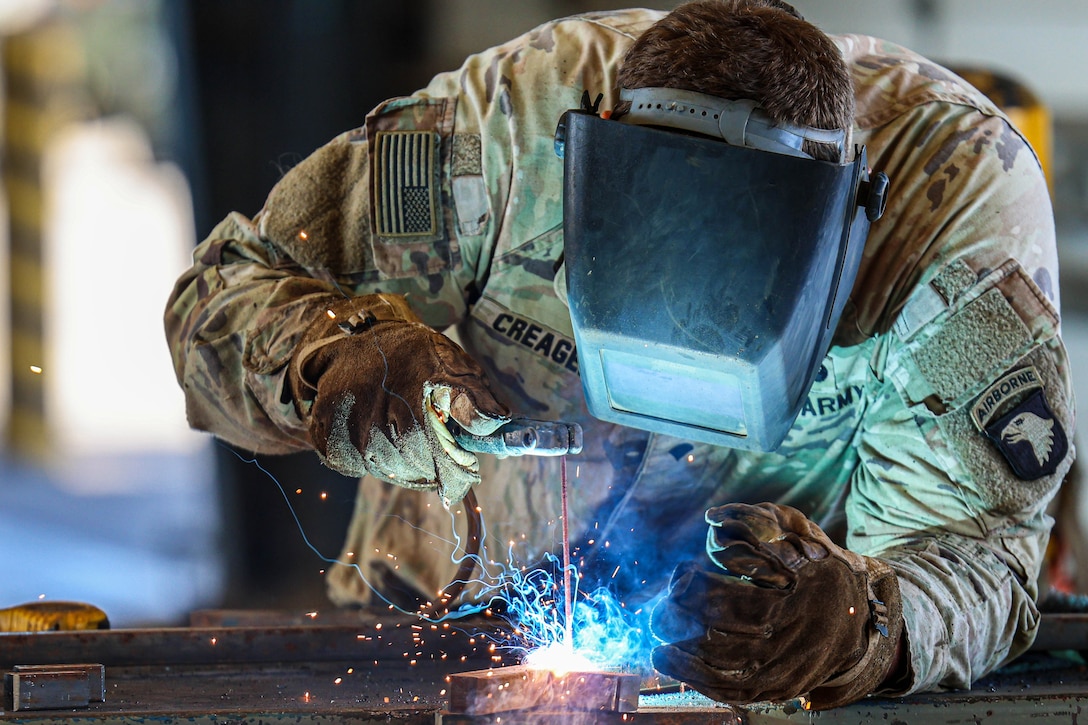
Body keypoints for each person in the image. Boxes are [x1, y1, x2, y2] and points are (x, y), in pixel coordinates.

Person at [165, 0, 1075, 709]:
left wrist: (859, 624)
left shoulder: (953, 218)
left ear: (846, 215)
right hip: (440, 633)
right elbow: (223, 294)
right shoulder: (506, 134)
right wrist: (334, 358)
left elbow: (981, 558)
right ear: (590, 136)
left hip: (757, 680)